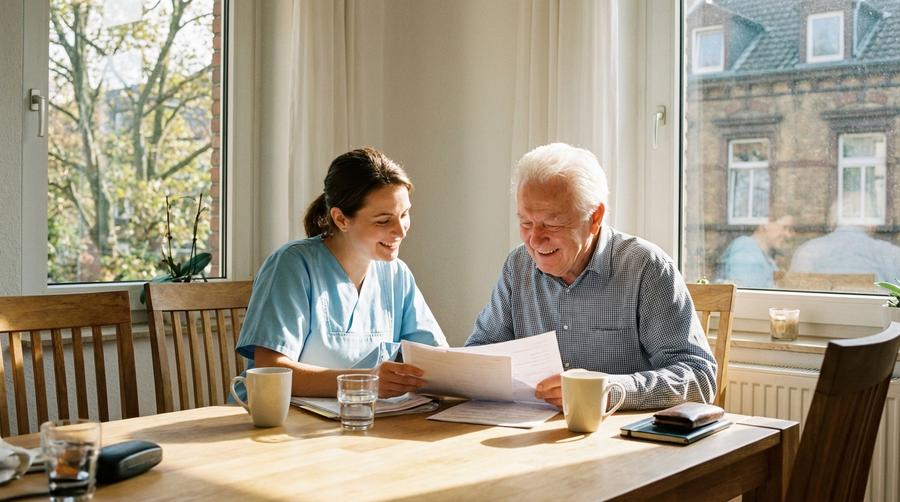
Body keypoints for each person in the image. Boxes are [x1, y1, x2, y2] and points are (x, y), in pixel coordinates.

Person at [465, 143, 717, 411]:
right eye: (526, 222)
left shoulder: (646, 269)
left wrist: (609, 391)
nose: (535, 239)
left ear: (595, 217)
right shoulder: (518, 266)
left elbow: (699, 377)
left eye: (552, 223)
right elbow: (482, 352)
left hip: (621, 439)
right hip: (529, 434)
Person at [233, 148, 447, 402]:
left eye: (404, 214)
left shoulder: (396, 274)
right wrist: (366, 382)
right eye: (383, 221)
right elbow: (271, 371)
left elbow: (436, 359)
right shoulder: (292, 265)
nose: (400, 230)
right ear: (341, 219)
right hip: (273, 424)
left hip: (355, 422)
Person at [790, 224, 900, 282]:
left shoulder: (808, 250)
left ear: (831, 223)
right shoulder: (891, 253)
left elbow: (794, 298)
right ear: (872, 226)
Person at [718, 215, 794, 288]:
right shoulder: (746, 251)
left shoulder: (763, 252)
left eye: (790, 229)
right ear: (765, 224)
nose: (788, 235)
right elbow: (748, 297)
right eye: (784, 228)